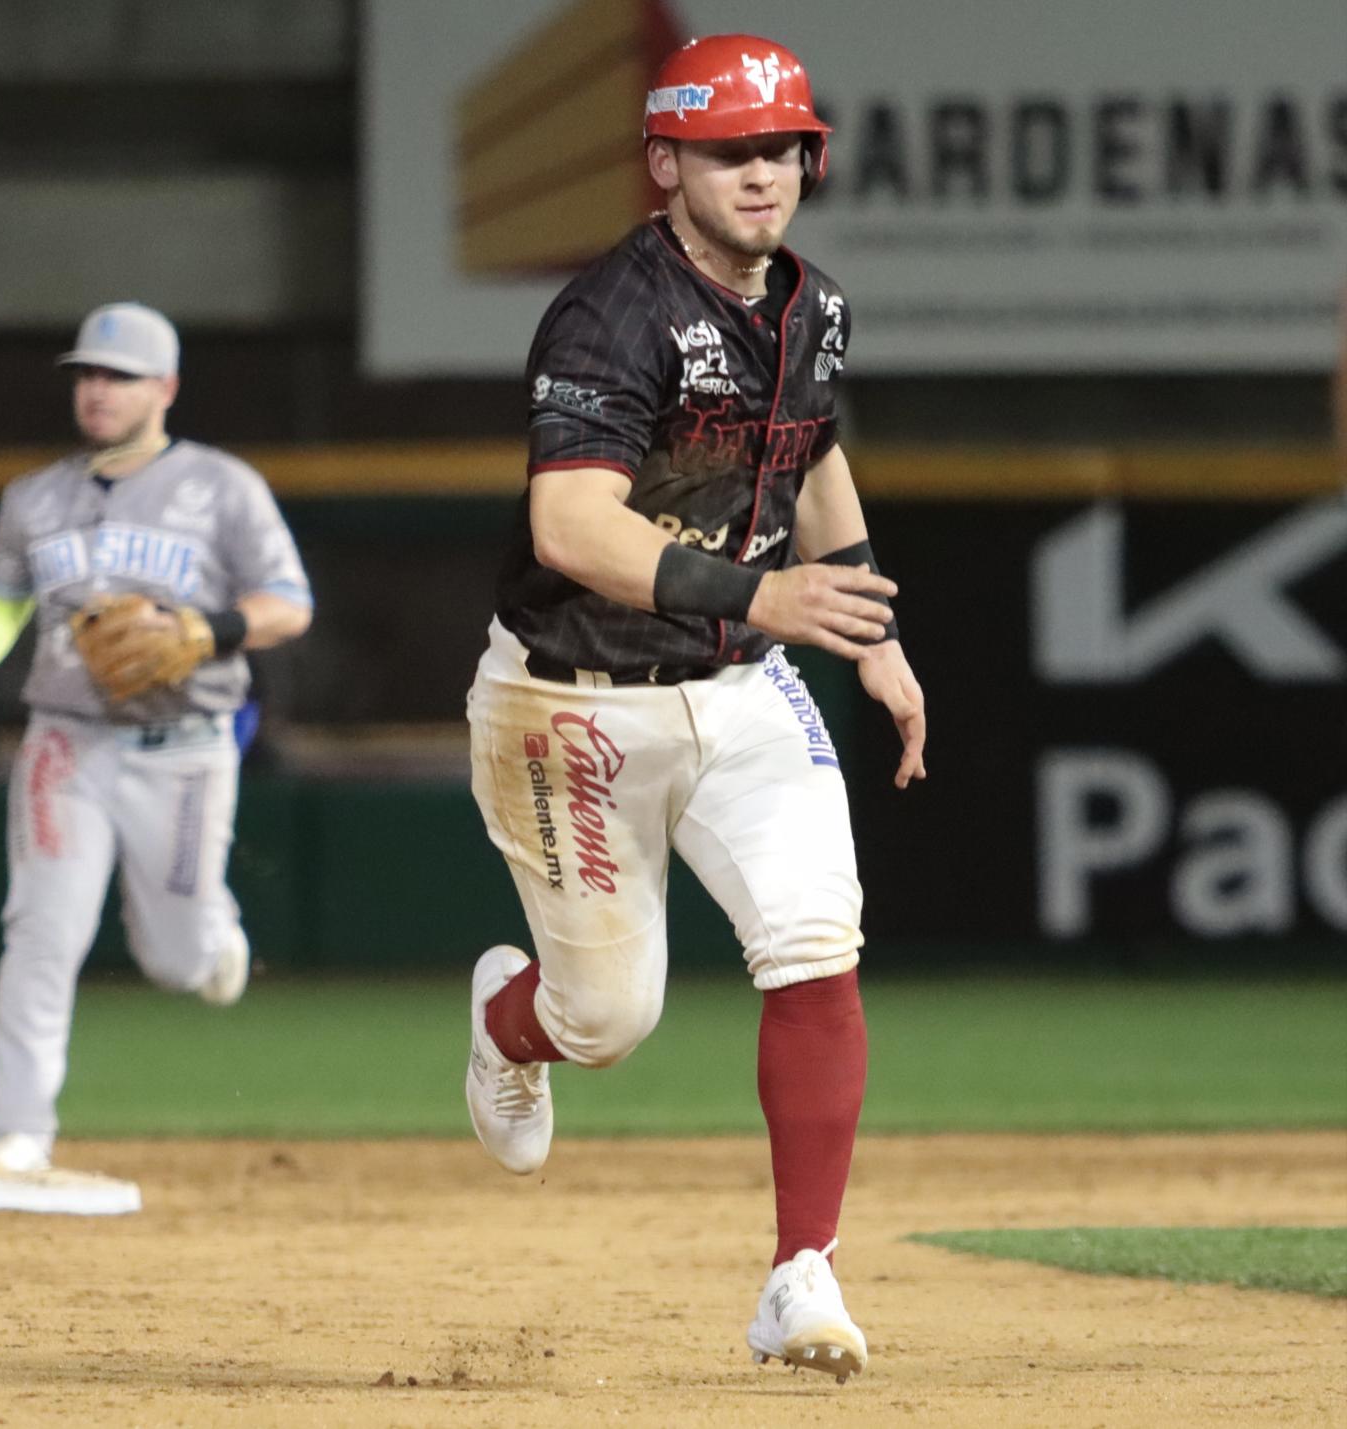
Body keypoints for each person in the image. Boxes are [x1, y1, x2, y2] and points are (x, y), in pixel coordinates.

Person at [461, 35, 927, 1385]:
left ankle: (801, 1273)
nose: (761, 172)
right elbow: (567, 525)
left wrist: (870, 633)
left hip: (738, 683)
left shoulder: (813, 305)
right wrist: (763, 591)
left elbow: (810, 449)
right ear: (665, 162)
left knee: (815, 941)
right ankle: (509, 1022)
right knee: (608, 1020)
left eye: (782, 148)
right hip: (570, 704)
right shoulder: (611, 314)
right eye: (729, 152)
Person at [0, 301, 313, 1175]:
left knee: (176, 959)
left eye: (119, 376)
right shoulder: (34, 497)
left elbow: (290, 604)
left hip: (186, 745)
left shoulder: (224, 486)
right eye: (87, 374)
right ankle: (18, 1129)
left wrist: (207, 630)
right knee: (41, 930)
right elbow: (1, 597)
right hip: (66, 743)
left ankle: (211, 934)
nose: (97, 390)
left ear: (165, 387)